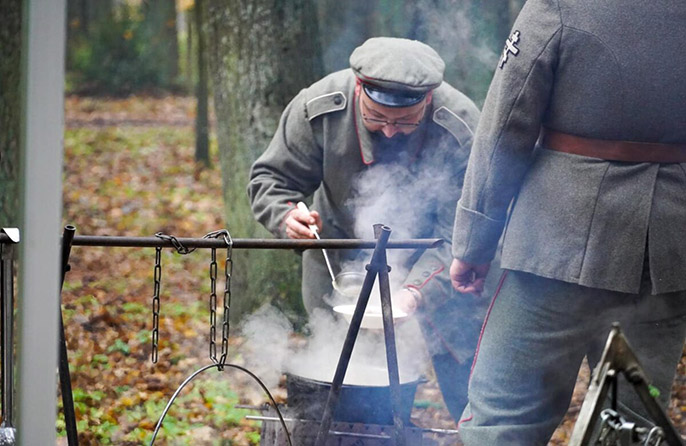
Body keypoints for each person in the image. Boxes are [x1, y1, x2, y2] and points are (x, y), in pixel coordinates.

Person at [449, 0, 686, 444]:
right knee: (632, 429)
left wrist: (474, 242)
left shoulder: (559, 4)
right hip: (668, 252)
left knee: (504, 418)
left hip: (554, 244)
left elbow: (506, 124)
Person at [248, 36, 497, 421]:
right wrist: (285, 216)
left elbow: (463, 233)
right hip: (336, 258)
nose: (390, 132)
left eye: (404, 121)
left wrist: (413, 293)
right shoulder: (320, 107)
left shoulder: (461, 128)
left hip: (432, 262)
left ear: (428, 100)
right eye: (377, 118)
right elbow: (271, 179)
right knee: (338, 376)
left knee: (467, 380)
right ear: (359, 88)